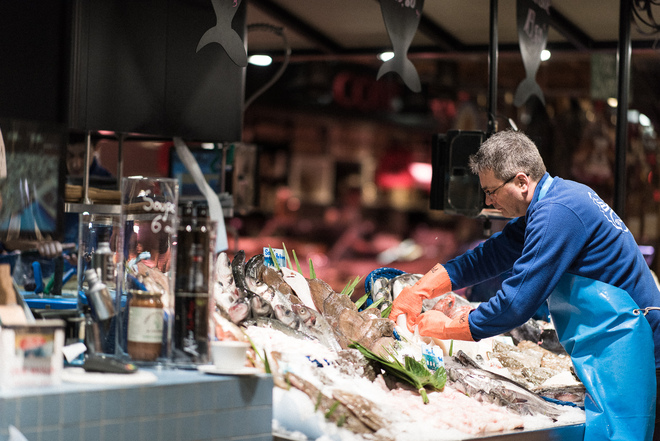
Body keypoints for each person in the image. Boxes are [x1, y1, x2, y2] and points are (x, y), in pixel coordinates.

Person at [390, 129, 660, 441]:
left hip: (637, 347)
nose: (488, 201)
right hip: (613, 343)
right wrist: (421, 288)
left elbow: (516, 303)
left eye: (491, 191)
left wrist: (448, 327)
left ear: (521, 181)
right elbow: (489, 256)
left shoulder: (557, 213)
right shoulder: (556, 198)